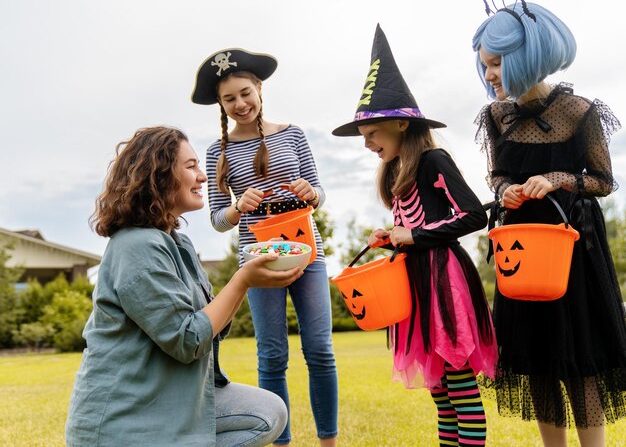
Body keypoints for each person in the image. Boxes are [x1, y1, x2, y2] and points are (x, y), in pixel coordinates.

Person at [65, 126, 299, 446]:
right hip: (125, 419)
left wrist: (248, 280)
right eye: (191, 167)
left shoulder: (178, 243)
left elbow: (211, 325)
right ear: (158, 175)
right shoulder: (137, 246)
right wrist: (243, 279)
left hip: (169, 399)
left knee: (268, 411)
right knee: (263, 414)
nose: (203, 177)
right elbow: (187, 341)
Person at [333, 25, 498, 446]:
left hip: (445, 281)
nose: (367, 143)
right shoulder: (395, 172)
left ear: (401, 125)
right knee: (440, 392)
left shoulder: (433, 161)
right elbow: (411, 229)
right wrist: (390, 237)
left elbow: (474, 216)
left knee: (459, 382)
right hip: (414, 284)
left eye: (371, 134)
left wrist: (413, 236)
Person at [472, 1, 626, 446]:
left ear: (529, 56)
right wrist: (506, 191)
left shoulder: (580, 111)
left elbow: (603, 180)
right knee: (537, 357)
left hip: (575, 249)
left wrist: (558, 179)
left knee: (582, 356)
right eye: (485, 67)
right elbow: (496, 174)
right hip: (521, 253)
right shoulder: (496, 117)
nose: (490, 76)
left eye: (496, 64)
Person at [191, 48, 338, 446]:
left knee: (320, 351)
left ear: (259, 89)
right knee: (272, 357)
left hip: (308, 253)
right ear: (220, 105)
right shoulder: (216, 151)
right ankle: (281, 440)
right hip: (258, 262)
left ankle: (329, 442)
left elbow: (319, 192)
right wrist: (238, 206)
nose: (240, 104)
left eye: (245, 93)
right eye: (229, 99)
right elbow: (218, 220)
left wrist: (313, 193)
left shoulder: (292, 133)